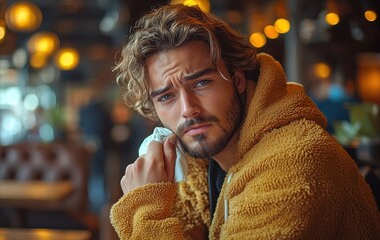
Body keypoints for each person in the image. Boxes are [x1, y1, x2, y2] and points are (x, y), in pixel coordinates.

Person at [110, 4, 380, 239]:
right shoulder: (198, 164)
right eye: (167, 96)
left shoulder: (293, 162)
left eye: (202, 83)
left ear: (237, 79)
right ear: (154, 108)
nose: (188, 110)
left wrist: (146, 211)